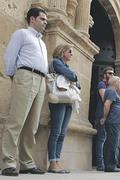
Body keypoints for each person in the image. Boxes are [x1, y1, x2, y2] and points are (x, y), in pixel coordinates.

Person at [1, 7, 48, 176]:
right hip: (26, 76)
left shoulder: (42, 42)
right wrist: (15, 76)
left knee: (32, 125)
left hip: (41, 80)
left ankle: (27, 163)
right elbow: (10, 56)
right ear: (32, 19)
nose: (45, 22)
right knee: (16, 121)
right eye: (42, 19)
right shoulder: (21, 34)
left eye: (46, 20)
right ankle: (8, 162)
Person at [47, 44, 80, 173]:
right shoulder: (56, 62)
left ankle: (57, 161)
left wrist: (74, 77)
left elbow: (78, 83)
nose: (72, 54)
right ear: (62, 52)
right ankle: (52, 162)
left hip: (68, 100)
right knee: (56, 131)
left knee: (62, 132)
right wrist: (73, 76)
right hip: (59, 99)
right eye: (69, 51)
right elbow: (73, 77)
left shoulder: (66, 67)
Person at [101, 76, 120, 172]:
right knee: (112, 144)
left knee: (113, 143)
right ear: (115, 82)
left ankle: (110, 165)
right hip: (113, 122)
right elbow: (107, 104)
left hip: (116, 122)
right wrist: (104, 117)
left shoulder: (112, 92)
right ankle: (110, 165)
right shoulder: (111, 91)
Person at [95, 67, 114, 171]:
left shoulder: (109, 86)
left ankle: (106, 162)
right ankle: (100, 164)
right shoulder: (102, 84)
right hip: (101, 115)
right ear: (104, 74)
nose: (111, 75)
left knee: (106, 140)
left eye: (113, 73)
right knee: (101, 139)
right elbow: (104, 98)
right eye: (109, 73)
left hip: (108, 116)